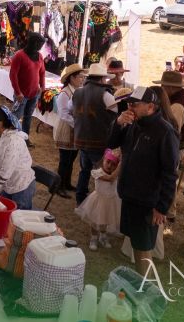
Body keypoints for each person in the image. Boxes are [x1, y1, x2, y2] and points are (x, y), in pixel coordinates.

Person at [109, 86, 179, 276]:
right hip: (129, 194)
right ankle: (141, 283)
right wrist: (118, 123)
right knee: (136, 244)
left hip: (146, 201)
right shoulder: (132, 123)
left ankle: (144, 288)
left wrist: (162, 207)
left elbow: (170, 173)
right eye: (129, 103)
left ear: (150, 107)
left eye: (135, 104)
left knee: (143, 248)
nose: (130, 107)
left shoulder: (165, 132)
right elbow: (111, 143)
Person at [72, 62, 117, 205]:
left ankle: (80, 199)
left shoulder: (77, 92)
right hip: (98, 142)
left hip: (81, 139)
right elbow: (116, 116)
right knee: (100, 174)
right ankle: (98, 204)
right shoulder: (106, 95)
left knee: (84, 171)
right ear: (103, 78)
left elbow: (72, 111)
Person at [153, 70, 184, 220]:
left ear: (170, 87)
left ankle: (169, 211)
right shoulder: (177, 100)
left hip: (175, 148)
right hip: (175, 146)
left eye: (163, 86)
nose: (162, 89)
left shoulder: (177, 106)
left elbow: (172, 131)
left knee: (168, 179)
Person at [0, 106, 37, 210]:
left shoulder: (13, 141)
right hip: (9, 184)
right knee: (5, 213)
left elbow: (5, 172)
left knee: (17, 217)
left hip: (21, 187)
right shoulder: (3, 136)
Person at [74, 149, 121, 251]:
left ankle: (102, 236)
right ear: (103, 160)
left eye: (113, 164)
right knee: (95, 221)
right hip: (98, 201)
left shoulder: (116, 175)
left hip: (110, 202)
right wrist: (121, 164)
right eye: (108, 162)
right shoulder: (97, 173)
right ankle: (94, 238)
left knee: (105, 220)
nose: (109, 166)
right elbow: (110, 178)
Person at [54, 64, 86, 198]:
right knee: (65, 160)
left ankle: (66, 183)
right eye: (80, 77)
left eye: (83, 77)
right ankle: (59, 186)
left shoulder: (77, 91)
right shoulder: (65, 93)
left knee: (71, 158)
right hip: (66, 130)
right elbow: (63, 114)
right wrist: (77, 124)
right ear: (72, 78)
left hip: (75, 129)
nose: (82, 79)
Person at [10, 32, 46, 144]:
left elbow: (42, 72)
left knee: (28, 117)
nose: (41, 47)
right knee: (16, 117)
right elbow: (13, 75)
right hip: (21, 94)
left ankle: (25, 138)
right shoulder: (19, 55)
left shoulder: (39, 56)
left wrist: (42, 86)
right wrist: (18, 92)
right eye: (40, 44)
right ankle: (12, 139)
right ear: (34, 43)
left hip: (34, 93)